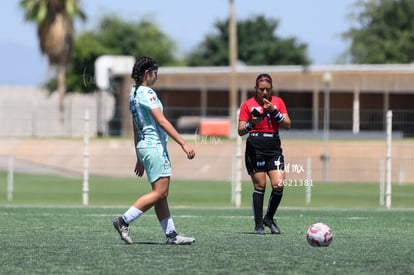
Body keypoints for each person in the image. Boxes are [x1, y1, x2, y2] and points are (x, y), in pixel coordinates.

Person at [112, 56, 196, 245]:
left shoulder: (132, 93)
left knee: (160, 193)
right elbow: (162, 121)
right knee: (160, 192)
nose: (156, 76)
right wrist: (183, 143)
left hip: (144, 147)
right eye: (155, 72)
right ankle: (124, 220)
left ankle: (171, 235)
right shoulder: (147, 92)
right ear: (147, 73)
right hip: (154, 147)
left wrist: (138, 156)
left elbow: (135, 127)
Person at [237, 73, 291, 234]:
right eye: (262, 89)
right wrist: (251, 124)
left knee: (279, 184)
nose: (265, 93)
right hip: (255, 148)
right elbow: (240, 131)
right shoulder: (248, 105)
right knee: (260, 185)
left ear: (271, 89)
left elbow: (287, 124)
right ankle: (258, 224)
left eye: (268, 89)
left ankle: (269, 217)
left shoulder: (278, 102)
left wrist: (274, 111)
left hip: (273, 147)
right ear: (256, 89)